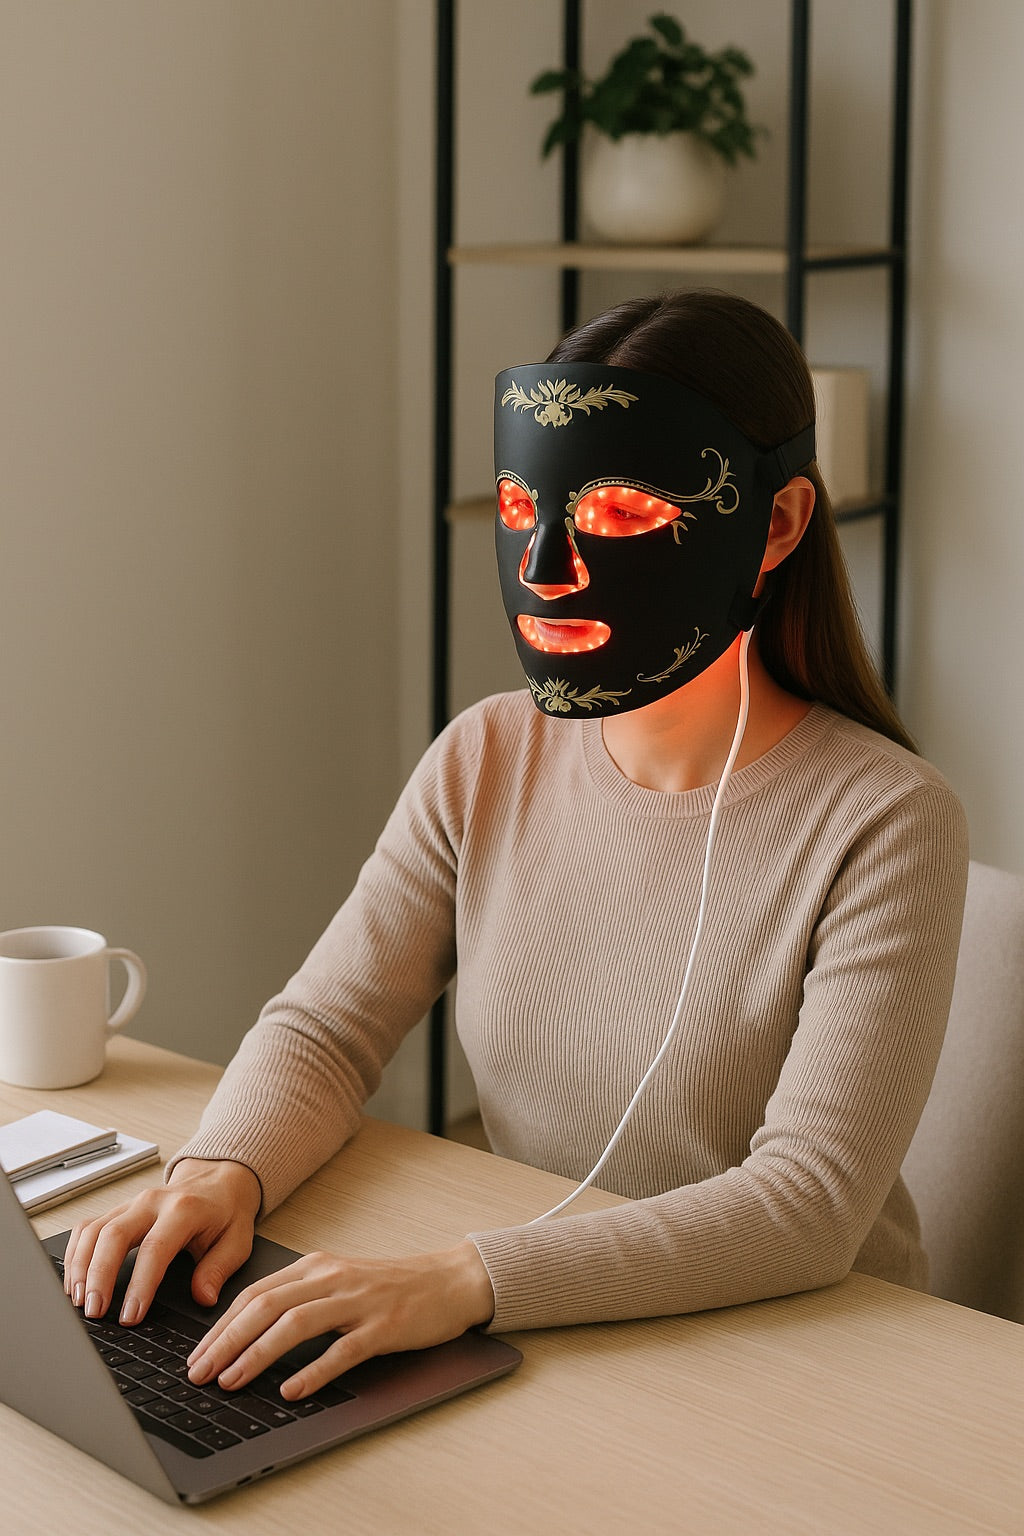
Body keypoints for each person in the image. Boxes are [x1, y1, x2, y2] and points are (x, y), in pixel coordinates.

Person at [63, 289, 968, 1406]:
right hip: (558, 1339)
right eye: (515, 502)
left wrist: (464, 1279)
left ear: (775, 525)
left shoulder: (885, 819)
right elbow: (331, 1027)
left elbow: (808, 1204)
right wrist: (220, 1172)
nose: (546, 565)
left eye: (623, 512)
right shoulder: (485, 754)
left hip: (807, 1364)